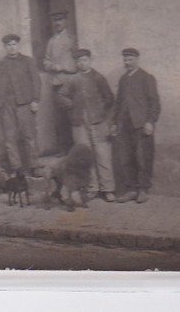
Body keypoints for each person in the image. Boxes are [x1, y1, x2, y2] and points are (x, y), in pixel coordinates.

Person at [56, 49, 116, 202]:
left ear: (90, 60)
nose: (82, 63)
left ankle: (108, 189)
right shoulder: (73, 79)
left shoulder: (98, 78)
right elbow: (61, 96)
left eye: (84, 60)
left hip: (98, 122)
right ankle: (92, 188)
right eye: (79, 61)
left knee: (103, 154)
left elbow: (109, 98)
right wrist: (72, 106)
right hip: (79, 123)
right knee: (85, 156)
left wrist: (99, 111)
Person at [111, 48, 160, 205]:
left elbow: (154, 102)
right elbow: (118, 104)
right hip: (125, 125)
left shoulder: (146, 78)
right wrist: (114, 123)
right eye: (125, 60)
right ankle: (131, 189)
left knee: (143, 158)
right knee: (126, 158)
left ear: (137, 59)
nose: (127, 63)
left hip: (141, 125)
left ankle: (143, 190)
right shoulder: (123, 79)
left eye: (130, 59)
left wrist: (150, 122)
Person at [0, 34, 41, 176]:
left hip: (24, 103)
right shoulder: (0, 65)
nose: (11, 47)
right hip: (6, 105)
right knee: (10, 137)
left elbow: (36, 81)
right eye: (8, 45)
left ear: (18, 46)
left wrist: (35, 100)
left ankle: (34, 166)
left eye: (14, 44)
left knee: (29, 135)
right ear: (5, 47)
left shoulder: (28, 61)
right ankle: (16, 168)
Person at [42, 10, 77, 155]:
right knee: (60, 119)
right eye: (55, 21)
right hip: (56, 83)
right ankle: (64, 149)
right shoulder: (51, 41)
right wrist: (50, 66)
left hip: (70, 82)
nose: (57, 23)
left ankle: (75, 149)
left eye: (60, 20)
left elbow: (77, 62)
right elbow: (46, 60)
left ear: (66, 21)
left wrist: (63, 67)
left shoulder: (71, 39)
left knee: (73, 116)